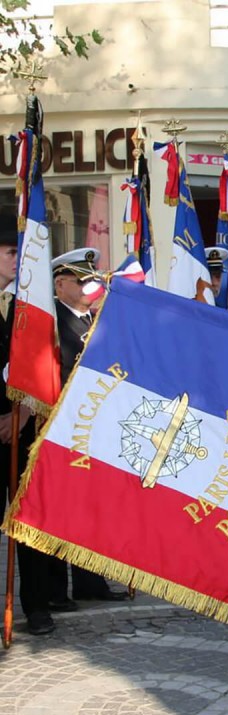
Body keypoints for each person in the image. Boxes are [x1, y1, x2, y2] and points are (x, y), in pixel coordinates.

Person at [52, 248, 130, 602]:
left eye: (91, 280)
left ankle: (90, 582)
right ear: (60, 285)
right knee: (62, 512)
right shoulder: (53, 321)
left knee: (94, 510)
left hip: (97, 429)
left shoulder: (94, 321)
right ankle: (54, 590)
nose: (89, 287)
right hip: (65, 429)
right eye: (82, 281)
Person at [0, 214, 56, 635]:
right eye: (10, 252)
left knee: (30, 522)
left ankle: (37, 606)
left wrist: (20, 413)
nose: (18, 260)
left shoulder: (30, 303)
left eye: (20, 252)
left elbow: (42, 364)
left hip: (23, 427)